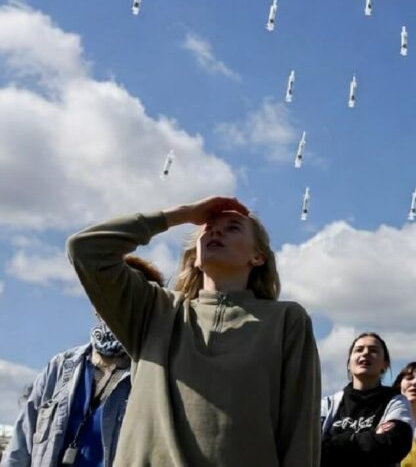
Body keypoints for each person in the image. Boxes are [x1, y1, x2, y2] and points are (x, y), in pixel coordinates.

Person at [67, 196, 322, 466]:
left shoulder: (286, 320)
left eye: (232, 227)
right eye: (208, 229)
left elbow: (300, 430)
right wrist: (181, 214)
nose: (215, 232)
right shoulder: (154, 311)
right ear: (196, 259)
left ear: (257, 257)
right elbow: (84, 249)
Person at [2, 257, 164, 467]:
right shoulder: (60, 367)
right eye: (107, 288)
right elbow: (19, 449)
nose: (115, 298)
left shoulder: (152, 378)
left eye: (129, 292)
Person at [321, 333, 413, 466]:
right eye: (359, 350)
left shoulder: (396, 401)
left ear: (385, 364)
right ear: (349, 363)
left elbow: (395, 444)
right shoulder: (328, 405)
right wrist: (372, 436)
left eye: (373, 350)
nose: (365, 354)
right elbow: (313, 449)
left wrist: (335, 443)